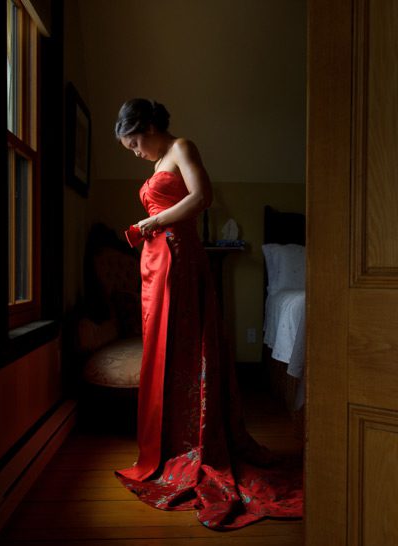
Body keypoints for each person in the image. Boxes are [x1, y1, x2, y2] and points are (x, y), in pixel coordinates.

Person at [112, 98, 303, 529]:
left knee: (188, 343)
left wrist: (151, 223)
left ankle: (196, 442)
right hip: (159, 262)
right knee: (164, 350)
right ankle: (170, 441)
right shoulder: (159, 159)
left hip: (180, 257)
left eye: (135, 142)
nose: (136, 151)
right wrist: (151, 230)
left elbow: (202, 197)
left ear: (147, 125)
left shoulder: (182, 147)